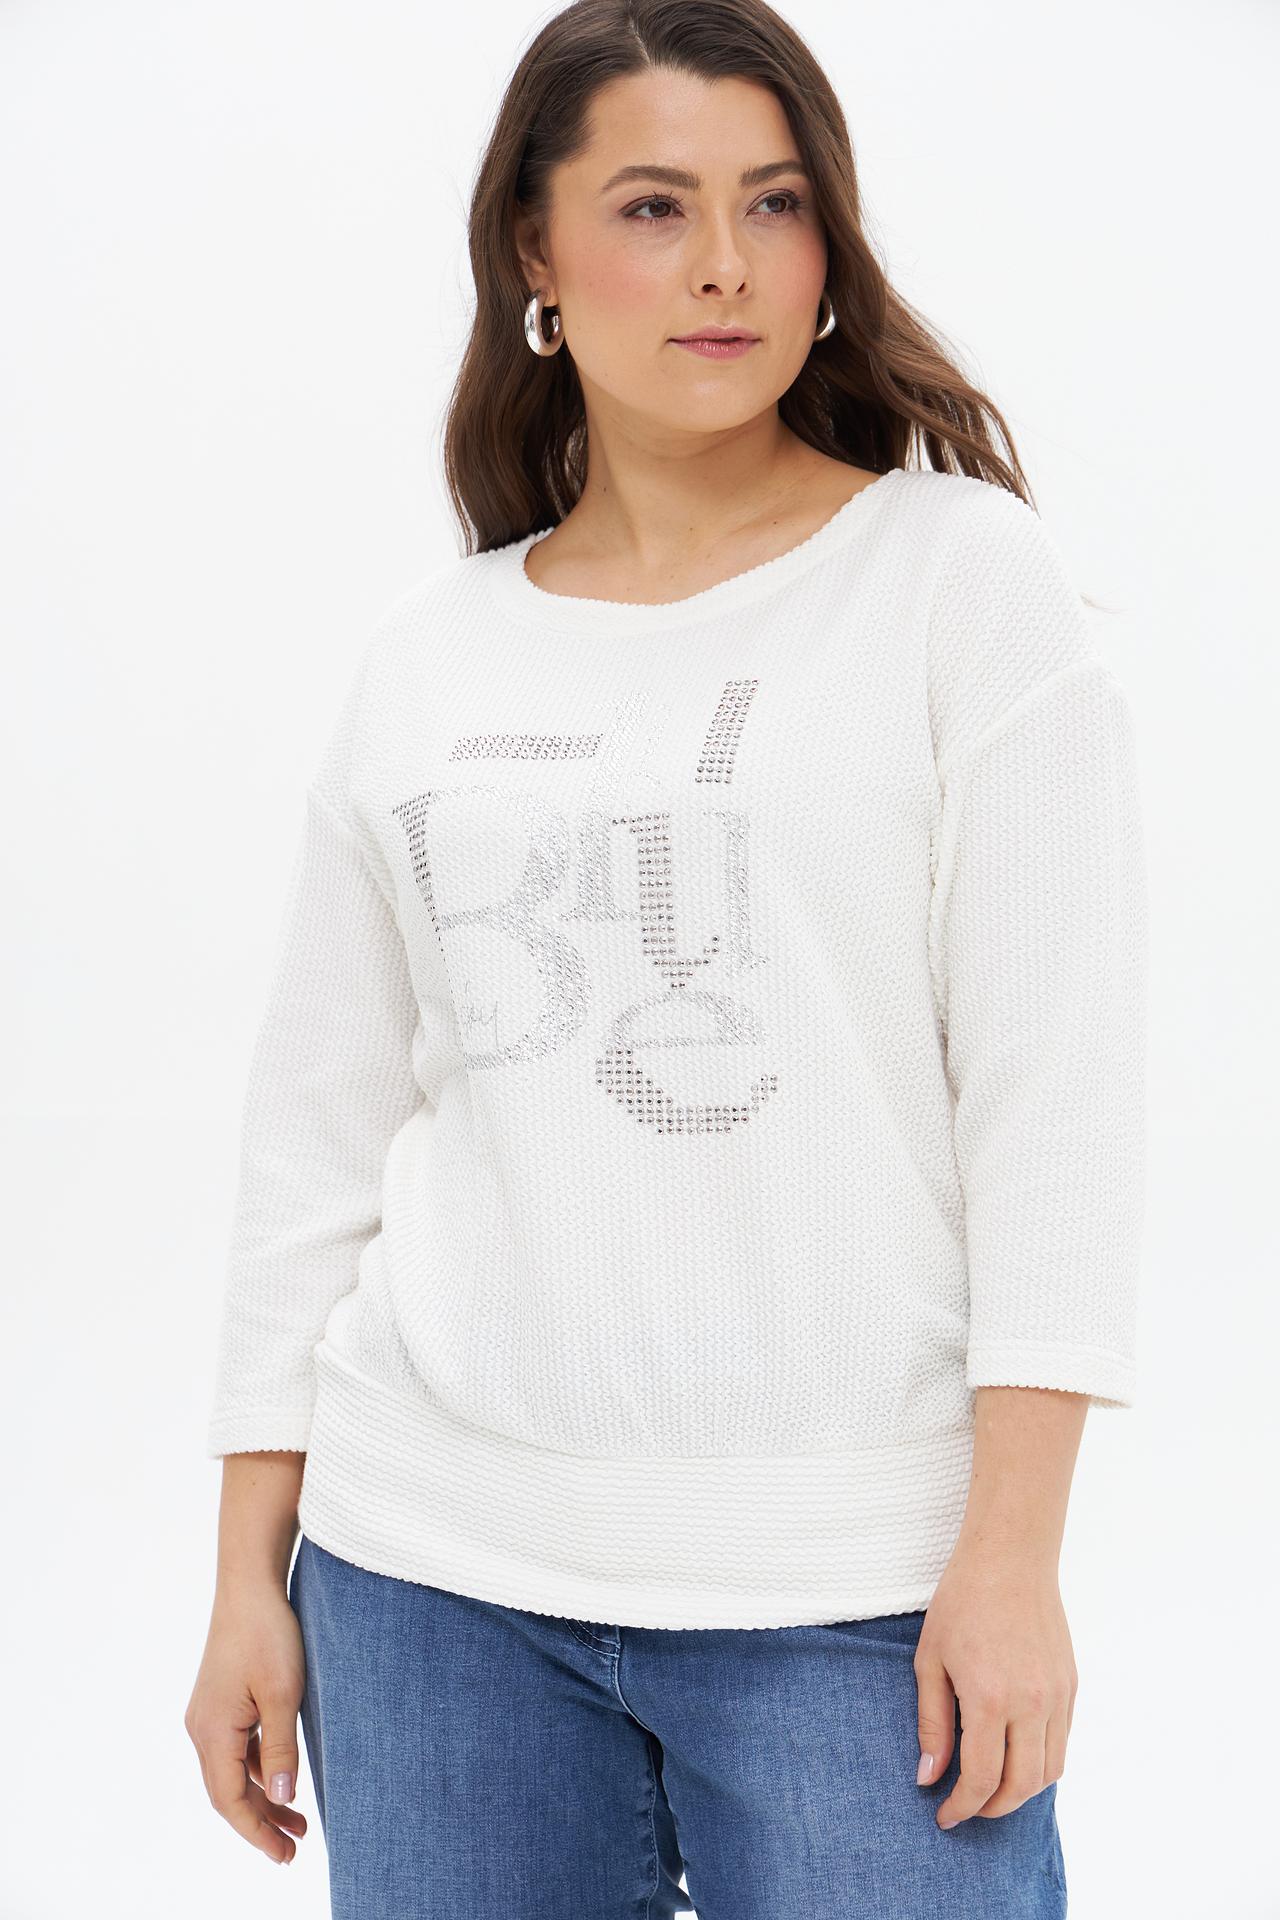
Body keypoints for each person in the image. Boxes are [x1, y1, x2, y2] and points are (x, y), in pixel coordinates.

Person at [184, 1, 1147, 1913]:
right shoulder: (429, 652)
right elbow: (316, 1137)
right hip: (429, 1582)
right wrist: (242, 1576)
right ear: (533, 256)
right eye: (652, 206)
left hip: (852, 1592)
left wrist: (1014, 1557)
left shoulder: (959, 584)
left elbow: (1056, 1100)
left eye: (774, 203)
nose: (725, 263)